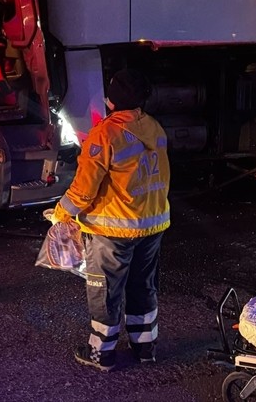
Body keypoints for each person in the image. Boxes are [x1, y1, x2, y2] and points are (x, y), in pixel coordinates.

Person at [51, 69, 170, 372]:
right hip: (152, 224)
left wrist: (61, 214)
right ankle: (146, 348)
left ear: (113, 100)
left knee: (105, 291)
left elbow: (83, 190)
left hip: (113, 230)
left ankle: (100, 353)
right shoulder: (154, 127)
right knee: (143, 286)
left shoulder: (105, 133)